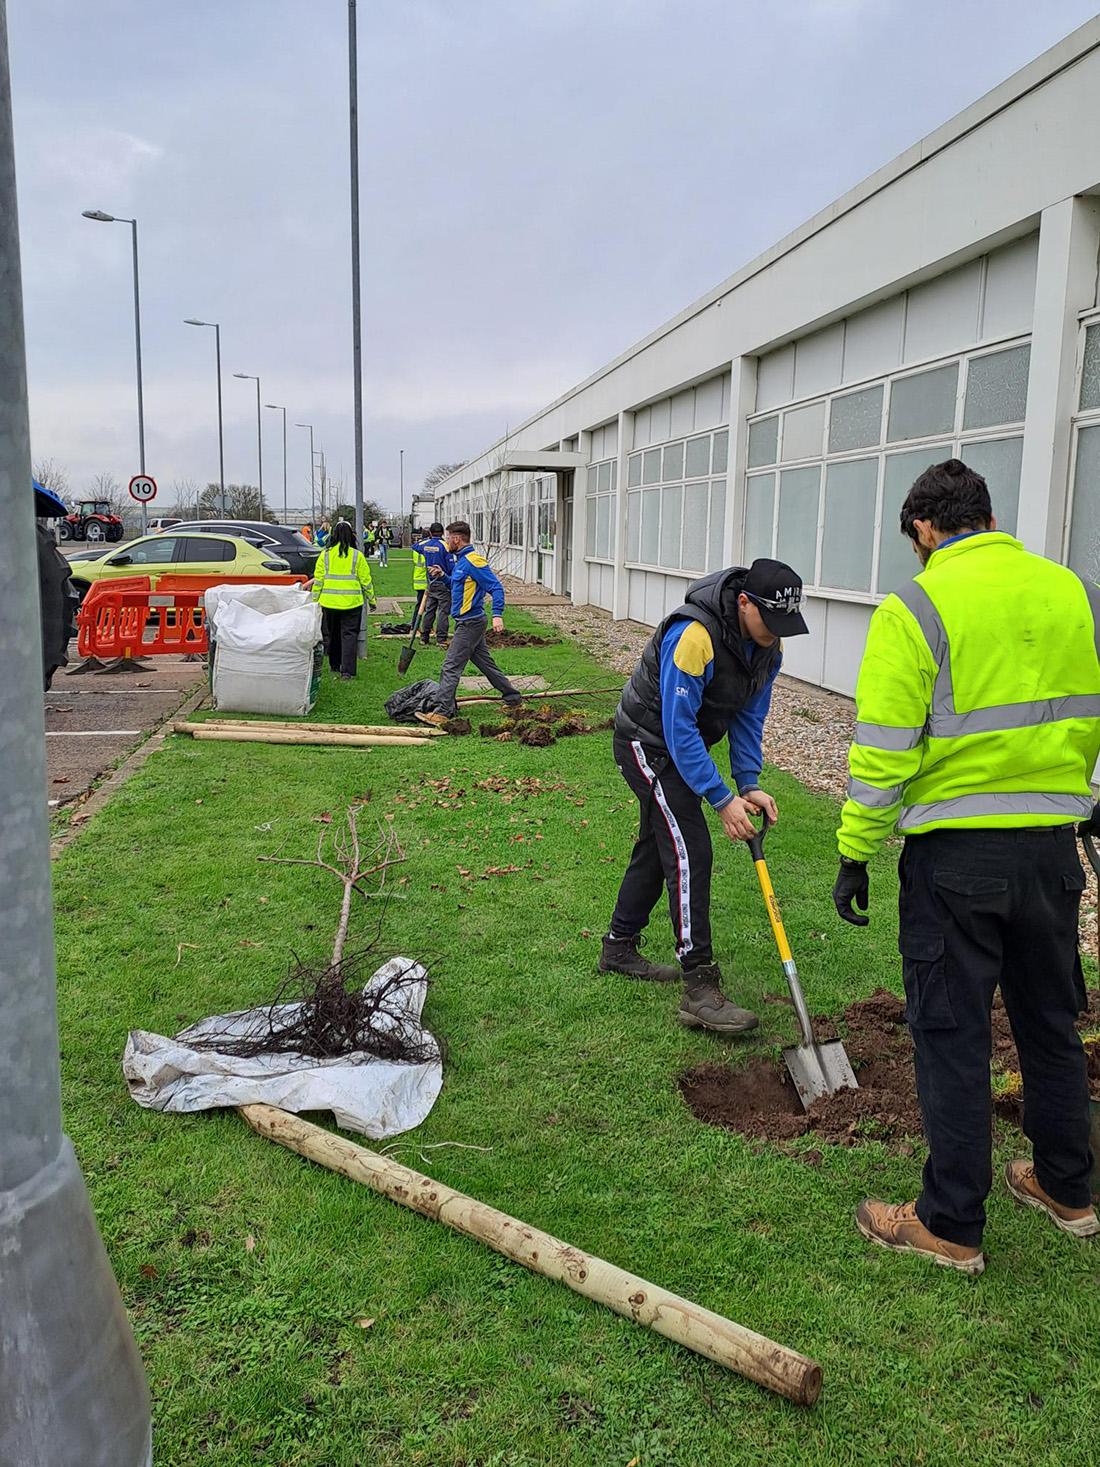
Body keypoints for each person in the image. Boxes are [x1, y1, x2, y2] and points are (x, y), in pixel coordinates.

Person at [834, 457, 1100, 1274]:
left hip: (957, 859)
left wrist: (854, 850)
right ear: (987, 514)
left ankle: (950, 1222)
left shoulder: (914, 607)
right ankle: (1068, 1187)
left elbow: (883, 753)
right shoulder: (1072, 592)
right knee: (1050, 1024)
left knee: (950, 1035)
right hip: (1053, 851)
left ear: (924, 527)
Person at [601, 559, 808, 1034]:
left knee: (660, 846)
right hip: (646, 742)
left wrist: (748, 782)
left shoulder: (767, 650)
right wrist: (720, 797)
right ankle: (699, 986)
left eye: (783, 627)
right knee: (691, 849)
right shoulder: (694, 636)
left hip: (679, 744)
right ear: (743, 602)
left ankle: (618, 946)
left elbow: (747, 718)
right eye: (769, 622)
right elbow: (677, 730)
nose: (775, 635)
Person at [415, 521, 522, 722]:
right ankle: (513, 698)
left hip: (470, 623)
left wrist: (497, 614)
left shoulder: (474, 561)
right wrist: (443, 576)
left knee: (451, 666)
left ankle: (442, 712)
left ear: (456, 539)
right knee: (486, 665)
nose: (446, 542)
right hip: (467, 622)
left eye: (448, 538)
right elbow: (460, 586)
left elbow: (496, 588)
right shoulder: (461, 561)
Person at [310, 519, 377, 679]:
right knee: (349, 636)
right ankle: (347, 671)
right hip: (352, 603)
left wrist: (314, 601)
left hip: (329, 603)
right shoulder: (357, 556)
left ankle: (334, 664)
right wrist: (372, 600)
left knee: (332, 635)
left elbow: (318, 581)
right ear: (351, 536)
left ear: (333, 536)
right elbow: (366, 580)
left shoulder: (325, 555)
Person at [414, 521, 454, 646]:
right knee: (443, 611)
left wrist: (427, 539)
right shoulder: (445, 546)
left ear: (430, 533)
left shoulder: (426, 545)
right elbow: (451, 566)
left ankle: (424, 637)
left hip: (431, 582)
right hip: (443, 581)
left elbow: (416, 546)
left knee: (430, 610)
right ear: (443, 532)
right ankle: (441, 638)